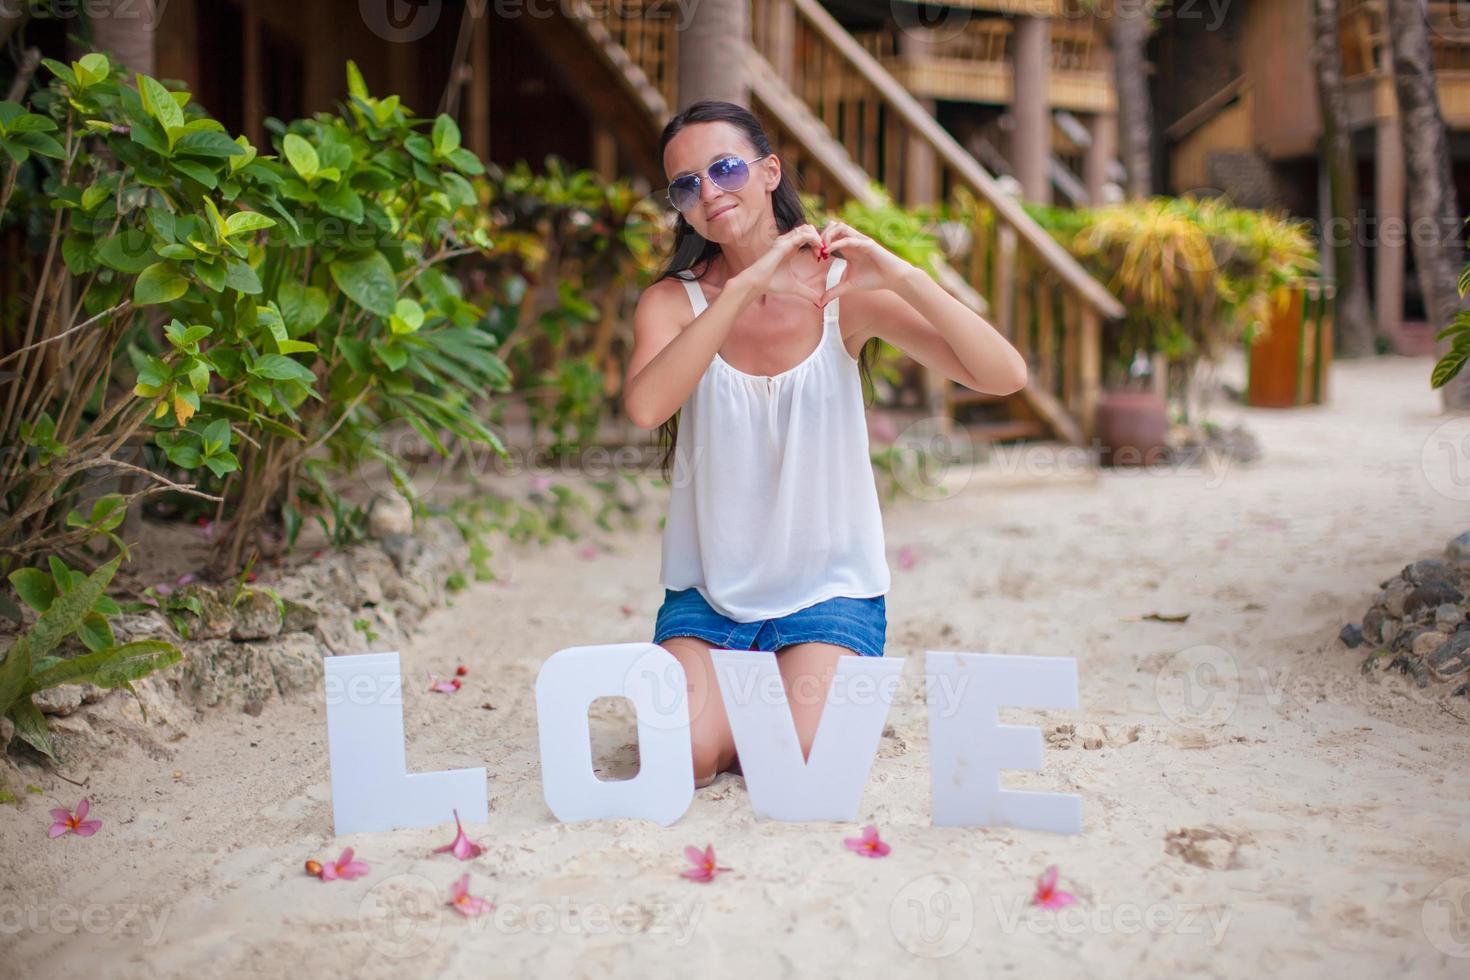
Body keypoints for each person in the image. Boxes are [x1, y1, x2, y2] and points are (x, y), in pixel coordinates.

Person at [622, 100, 1028, 788]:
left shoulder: (842, 294)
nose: (710, 192)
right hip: (708, 594)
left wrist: (904, 276)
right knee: (681, 759)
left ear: (769, 171)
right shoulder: (672, 302)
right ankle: (729, 691)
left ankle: (774, 684)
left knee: (797, 758)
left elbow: (1003, 375)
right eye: (686, 185)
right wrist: (743, 285)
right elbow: (645, 407)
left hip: (827, 593)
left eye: (725, 168)